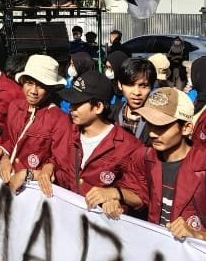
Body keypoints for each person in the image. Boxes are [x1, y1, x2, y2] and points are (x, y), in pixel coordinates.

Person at [123, 87, 206, 251]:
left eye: (162, 126)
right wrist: (117, 197)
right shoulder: (143, 157)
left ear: (187, 128)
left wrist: (197, 235)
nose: (152, 133)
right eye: (150, 124)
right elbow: (137, 192)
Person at [55, 71, 143, 219]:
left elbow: (141, 196)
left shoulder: (128, 146)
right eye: (71, 103)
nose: (71, 108)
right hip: (69, 222)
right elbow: (59, 166)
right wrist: (47, 169)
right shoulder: (68, 133)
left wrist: (116, 195)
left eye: (77, 103)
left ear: (98, 107)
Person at [0, 55, 71, 197]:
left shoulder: (59, 119)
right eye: (29, 83)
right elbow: (11, 141)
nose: (34, 91)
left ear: (50, 89)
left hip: (35, 194)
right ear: (22, 82)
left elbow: (62, 166)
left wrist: (28, 174)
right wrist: (2, 155)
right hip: (6, 184)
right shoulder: (15, 106)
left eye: (41, 86)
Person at [111, 58, 156, 145]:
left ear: (152, 87)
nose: (137, 92)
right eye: (130, 84)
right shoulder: (110, 115)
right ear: (120, 85)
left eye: (144, 86)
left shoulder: (157, 121)